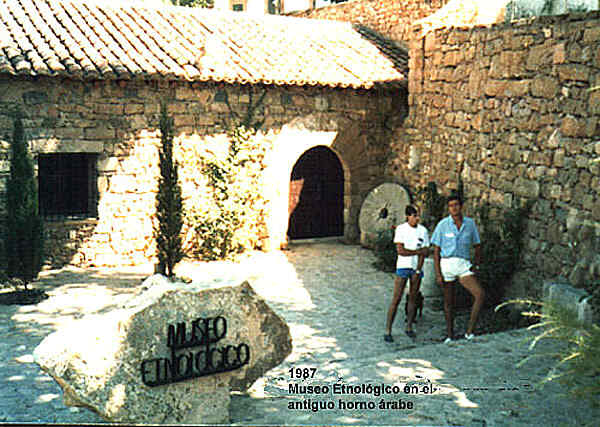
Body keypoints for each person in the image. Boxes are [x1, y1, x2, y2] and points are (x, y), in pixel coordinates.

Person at [431, 194, 484, 343]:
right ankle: (449, 335)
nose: (454, 208)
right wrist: (438, 274)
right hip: (447, 264)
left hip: (463, 264)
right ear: (448, 209)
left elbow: (478, 245)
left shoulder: (470, 224)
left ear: (461, 206)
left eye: (456, 205)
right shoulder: (443, 225)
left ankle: (469, 331)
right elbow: (436, 250)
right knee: (449, 302)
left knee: (479, 294)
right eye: (451, 206)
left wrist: (476, 264)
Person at [384, 205, 429, 342]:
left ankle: (409, 326)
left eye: (418, 215)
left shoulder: (423, 231)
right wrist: (417, 252)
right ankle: (388, 329)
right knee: (396, 298)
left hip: (416, 268)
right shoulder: (401, 229)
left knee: (413, 298)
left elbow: (425, 251)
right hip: (403, 267)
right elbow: (401, 251)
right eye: (414, 216)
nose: (417, 218)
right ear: (408, 216)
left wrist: (418, 270)